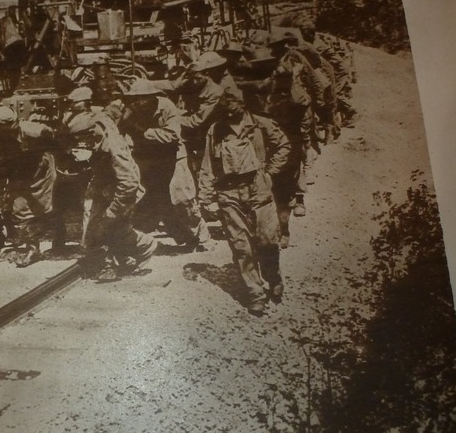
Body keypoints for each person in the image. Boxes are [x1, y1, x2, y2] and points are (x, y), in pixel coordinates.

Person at [198, 91, 289, 316]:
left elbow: (284, 146)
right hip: (229, 193)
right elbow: (208, 164)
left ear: (243, 104)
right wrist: (205, 196)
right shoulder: (216, 130)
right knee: (241, 246)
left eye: (234, 106)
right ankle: (255, 294)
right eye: (225, 107)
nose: (230, 111)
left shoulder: (261, 125)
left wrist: (269, 172)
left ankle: (273, 277)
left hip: (259, 189)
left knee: (267, 240)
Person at [65, 110, 157, 282]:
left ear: (91, 133)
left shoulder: (114, 147)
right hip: (104, 185)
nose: (81, 143)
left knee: (113, 227)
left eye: (83, 139)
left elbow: (129, 183)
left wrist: (114, 210)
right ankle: (108, 262)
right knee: (94, 228)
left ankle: (145, 246)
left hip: (123, 192)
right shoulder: (97, 134)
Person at [119, 79, 209, 249]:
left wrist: (143, 132)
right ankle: (186, 238)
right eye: (135, 99)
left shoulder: (166, 107)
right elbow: (120, 130)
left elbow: (172, 135)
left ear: (153, 97)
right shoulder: (131, 110)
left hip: (173, 156)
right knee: (159, 200)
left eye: (143, 98)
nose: (139, 102)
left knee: (182, 198)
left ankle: (202, 236)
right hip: (148, 158)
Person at [0, 104, 58, 267]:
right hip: (19, 172)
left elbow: (52, 134)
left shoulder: (30, 129)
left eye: (6, 125)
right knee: (19, 210)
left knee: (45, 209)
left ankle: (58, 236)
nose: (3, 128)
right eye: (0, 125)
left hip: (41, 173)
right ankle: (33, 249)